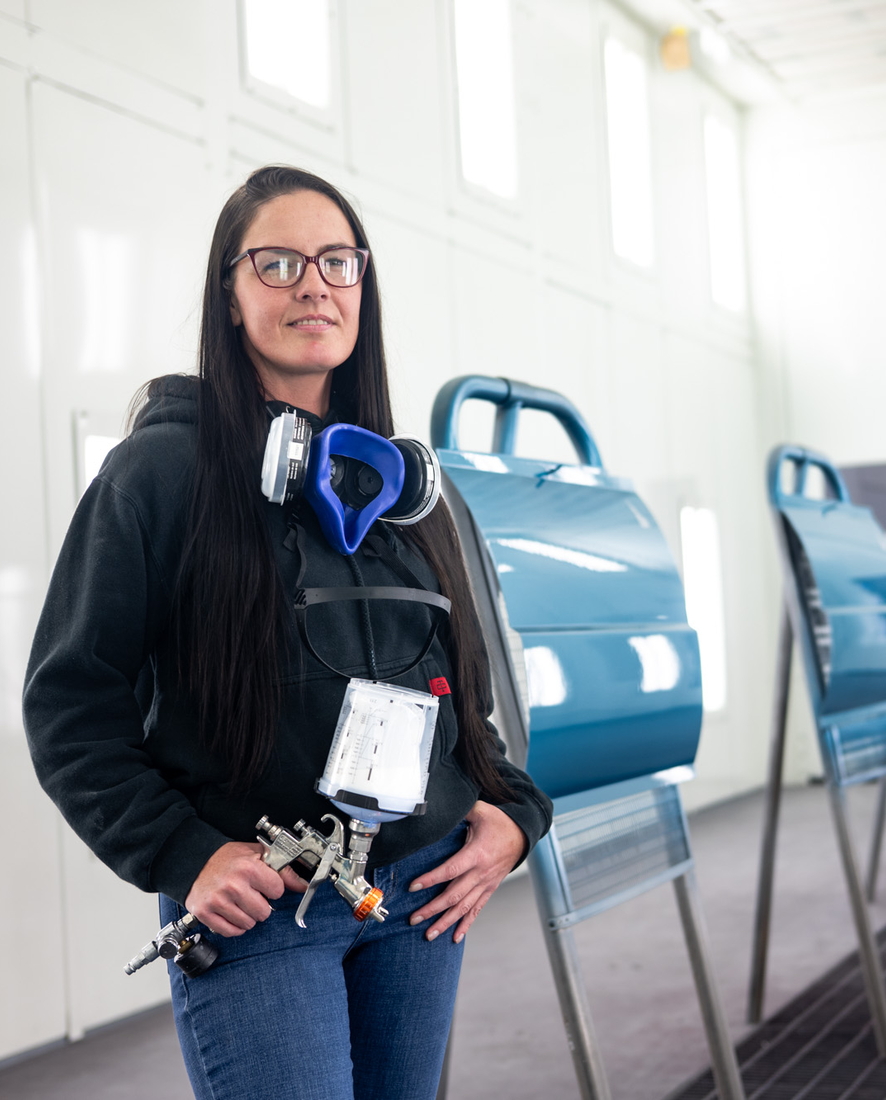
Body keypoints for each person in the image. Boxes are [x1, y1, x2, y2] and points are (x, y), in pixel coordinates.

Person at [23, 165, 553, 1100]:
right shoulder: (158, 476)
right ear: (230, 296)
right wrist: (183, 856)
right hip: (261, 910)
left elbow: (464, 696)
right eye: (276, 262)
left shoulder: (406, 491)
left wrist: (516, 813)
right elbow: (72, 708)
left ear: (362, 287)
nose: (314, 283)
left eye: (338, 262)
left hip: (419, 895)